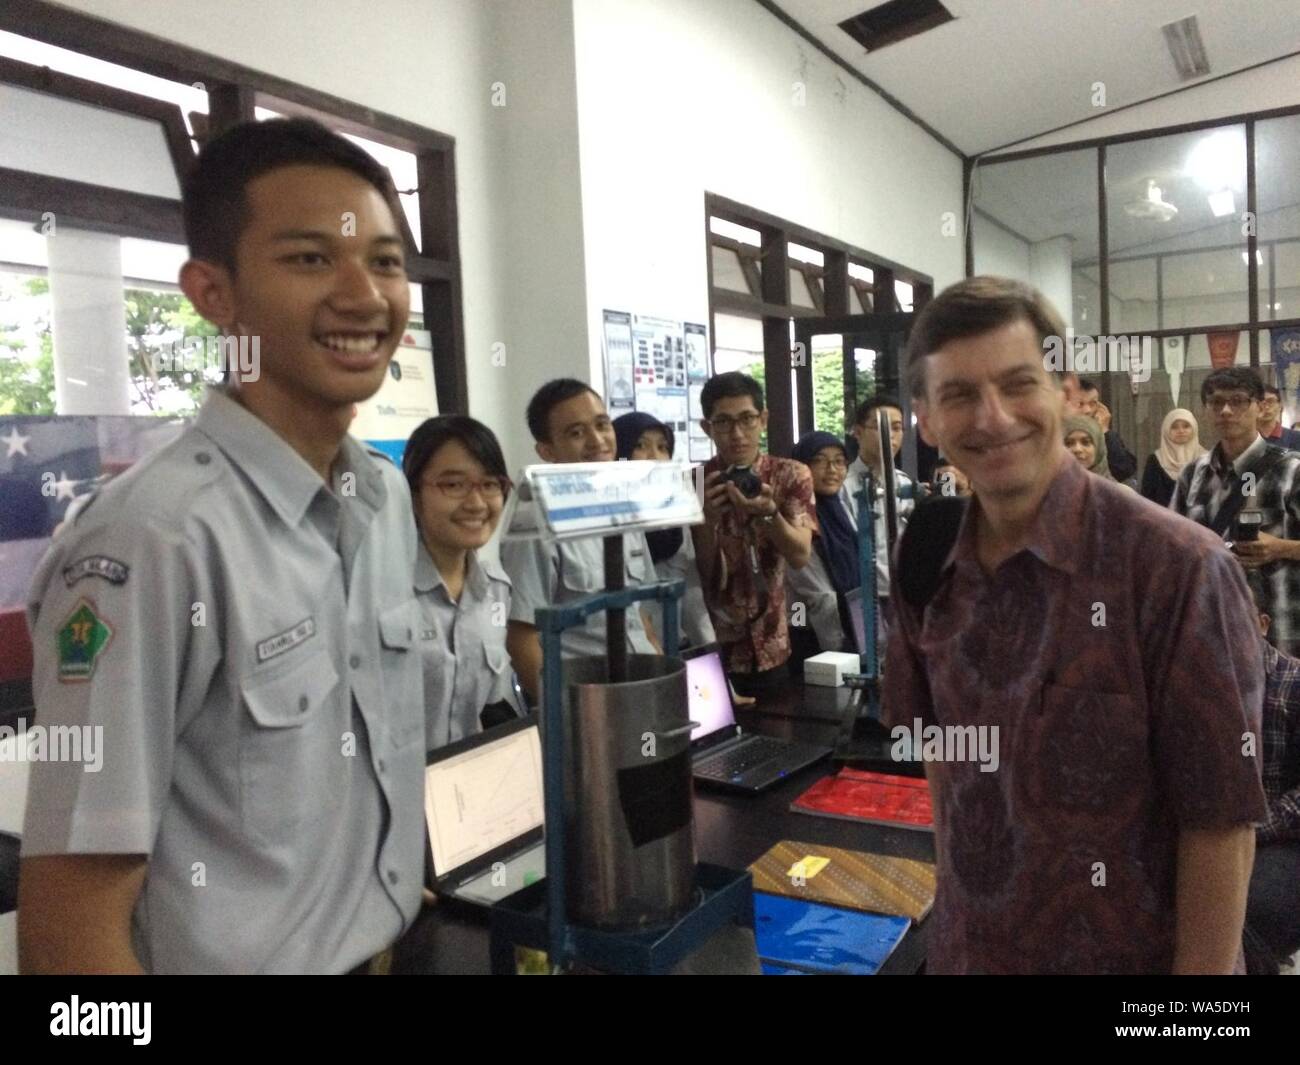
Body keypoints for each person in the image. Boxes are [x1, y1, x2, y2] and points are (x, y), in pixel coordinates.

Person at [19, 119, 427, 973]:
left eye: (386, 261)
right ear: (214, 292)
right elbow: (69, 931)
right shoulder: (152, 540)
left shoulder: (383, 500)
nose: (364, 295)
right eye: (312, 259)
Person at [885, 275, 1265, 974]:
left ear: (1066, 391)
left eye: (1018, 382)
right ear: (926, 419)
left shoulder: (1175, 569)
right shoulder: (926, 554)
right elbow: (940, 749)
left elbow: (1219, 823)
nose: (993, 417)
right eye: (960, 394)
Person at [501, 379, 661, 704]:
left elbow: (640, 615)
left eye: (602, 425)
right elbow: (521, 635)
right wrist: (564, 718)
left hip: (641, 691)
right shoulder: (536, 518)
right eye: (576, 433)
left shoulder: (621, 504)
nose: (597, 441)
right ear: (546, 450)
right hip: (587, 704)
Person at [402, 415, 520, 752]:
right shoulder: (380, 591)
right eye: (453, 485)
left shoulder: (496, 590)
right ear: (413, 495)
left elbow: (494, 706)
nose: (476, 503)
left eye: (490, 484)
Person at [693, 372, 813, 695]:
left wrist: (769, 514)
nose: (737, 434)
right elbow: (697, 575)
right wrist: (706, 521)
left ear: (763, 419)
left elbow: (800, 556)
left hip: (772, 643)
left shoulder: (790, 474)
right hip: (712, 648)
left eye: (747, 419)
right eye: (723, 422)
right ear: (707, 428)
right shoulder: (695, 483)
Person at [1170, 367, 1300, 657]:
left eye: (1238, 401)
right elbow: (1171, 549)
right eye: (1216, 402)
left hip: (1283, 635)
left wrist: (1282, 548)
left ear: (1260, 406)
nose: (1226, 410)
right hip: (1211, 636)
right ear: (1206, 410)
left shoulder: (1292, 470)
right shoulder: (1192, 475)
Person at [612, 411, 716, 650]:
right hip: (634, 652)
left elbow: (693, 598)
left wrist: (709, 653)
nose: (655, 457)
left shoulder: (677, 514)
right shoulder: (612, 518)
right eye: (641, 446)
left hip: (677, 644)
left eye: (662, 447)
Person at [1243, 587, 1300, 975]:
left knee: (1246, 909)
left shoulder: (1293, 683)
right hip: (1210, 833)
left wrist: (1253, 828)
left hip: (1283, 838)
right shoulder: (1193, 685)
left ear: (1263, 624)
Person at [787, 431, 858, 661]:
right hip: (809, 636)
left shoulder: (840, 510)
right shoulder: (794, 515)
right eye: (819, 460)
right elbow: (821, 598)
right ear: (801, 466)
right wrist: (842, 655)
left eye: (839, 461)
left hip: (849, 629)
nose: (832, 469)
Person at [844, 394, 917, 612]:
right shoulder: (843, 487)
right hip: (864, 597)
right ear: (858, 432)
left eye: (896, 428)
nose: (891, 436)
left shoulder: (906, 484)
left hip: (905, 596)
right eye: (880, 428)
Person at [1139, 408, 1206, 507]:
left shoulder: (1206, 459)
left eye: (1186, 426)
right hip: (1161, 520)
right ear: (1166, 430)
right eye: (1174, 427)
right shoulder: (1155, 460)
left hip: (1198, 522)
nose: (1181, 431)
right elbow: (1147, 499)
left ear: (1194, 428)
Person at [1075, 376, 1137, 483]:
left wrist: (1104, 431)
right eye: (1080, 404)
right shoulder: (1058, 433)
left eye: (1092, 404)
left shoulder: (1104, 434)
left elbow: (1124, 470)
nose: (1087, 410)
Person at [1062, 414, 1114, 480]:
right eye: (1069, 443)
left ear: (1099, 448)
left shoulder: (1116, 490)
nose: (1077, 449)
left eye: (1086, 442)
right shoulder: (1048, 488)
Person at [1258, 384, 1300, 450]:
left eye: (1271, 401)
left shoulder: (1296, 438)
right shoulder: (1246, 437)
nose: (1266, 407)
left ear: (1280, 406)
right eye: (1261, 402)